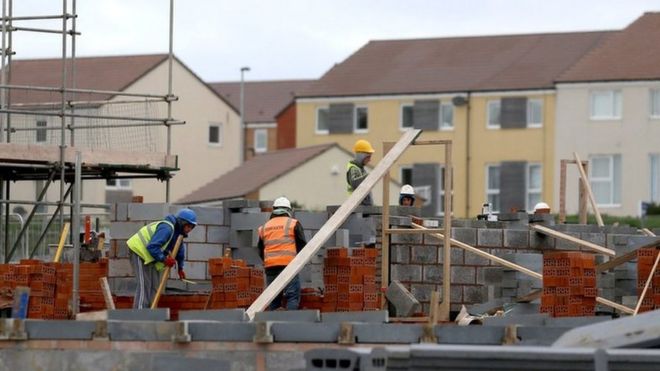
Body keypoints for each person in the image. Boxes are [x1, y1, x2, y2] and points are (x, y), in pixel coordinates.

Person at [127, 208, 197, 309]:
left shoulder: (178, 234)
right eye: (188, 226)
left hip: (150, 256)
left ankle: (150, 314)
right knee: (145, 286)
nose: (189, 229)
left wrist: (180, 268)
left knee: (155, 287)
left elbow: (180, 251)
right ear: (182, 222)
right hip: (139, 251)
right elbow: (152, 246)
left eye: (192, 227)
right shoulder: (167, 228)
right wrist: (164, 259)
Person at [258, 196, 307, 310]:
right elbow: (303, 245)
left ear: (274, 209)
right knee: (292, 297)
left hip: (270, 267)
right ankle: (288, 325)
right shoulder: (293, 223)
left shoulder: (264, 227)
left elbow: (260, 250)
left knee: (273, 298)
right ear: (289, 210)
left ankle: (272, 325)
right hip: (288, 265)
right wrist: (297, 262)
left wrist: (269, 261)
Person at [347, 139, 375, 206]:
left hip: (362, 206)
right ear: (361, 156)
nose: (369, 160)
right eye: (368, 157)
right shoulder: (353, 169)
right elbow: (355, 183)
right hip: (357, 206)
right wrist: (369, 177)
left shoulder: (360, 169)